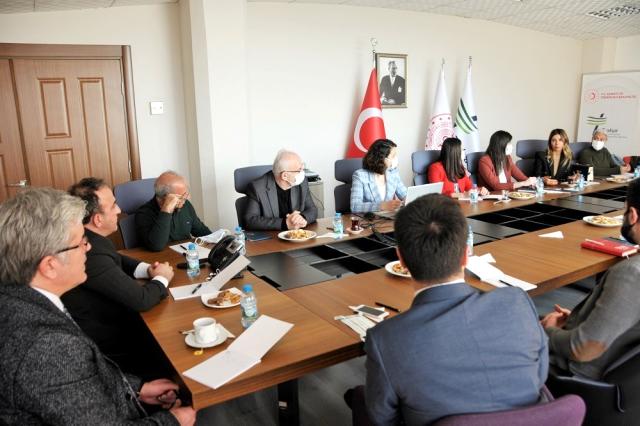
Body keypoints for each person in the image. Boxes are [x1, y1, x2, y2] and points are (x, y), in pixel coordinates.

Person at [0, 187, 194, 425]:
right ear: (49, 266)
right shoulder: (48, 346)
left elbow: (75, 383)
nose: (89, 248)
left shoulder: (16, 299)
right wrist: (172, 421)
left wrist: (134, 388)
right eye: (80, 243)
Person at [363, 194, 548, 424]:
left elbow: (381, 419)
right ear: (465, 255)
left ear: (401, 259)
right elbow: (540, 377)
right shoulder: (517, 302)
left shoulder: (385, 340)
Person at [64, 177, 174, 378]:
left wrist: (147, 269)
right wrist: (162, 278)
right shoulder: (90, 252)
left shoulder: (89, 239)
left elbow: (115, 258)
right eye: (113, 205)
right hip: (113, 348)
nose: (119, 210)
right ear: (98, 219)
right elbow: (142, 300)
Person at [541, 179, 640, 380]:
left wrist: (548, 331)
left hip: (572, 375)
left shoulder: (631, 273)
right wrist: (581, 318)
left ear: (633, 215)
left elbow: (582, 349)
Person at [136, 171, 211, 251]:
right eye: (180, 197)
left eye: (185, 194)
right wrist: (166, 210)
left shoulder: (185, 205)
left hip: (187, 253)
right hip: (163, 257)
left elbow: (202, 232)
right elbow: (156, 246)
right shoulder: (144, 213)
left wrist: (217, 240)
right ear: (165, 197)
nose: (185, 199)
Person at [244, 149, 318, 230]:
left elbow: (312, 210)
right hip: (272, 236)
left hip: (296, 234)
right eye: (299, 170)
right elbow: (250, 220)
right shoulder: (257, 187)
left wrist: (302, 218)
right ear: (284, 176)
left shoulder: (302, 183)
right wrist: (285, 223)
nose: (302, 173)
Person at [351, 139, 407, 213]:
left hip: (388, 217)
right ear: (382, 158)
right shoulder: (360, 175)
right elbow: (355, 206)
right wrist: (381, 206)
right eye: (393, 156)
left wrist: (408, 200)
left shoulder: (393, 172)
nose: (396, 158)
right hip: (369, 218)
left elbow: (405, 194)